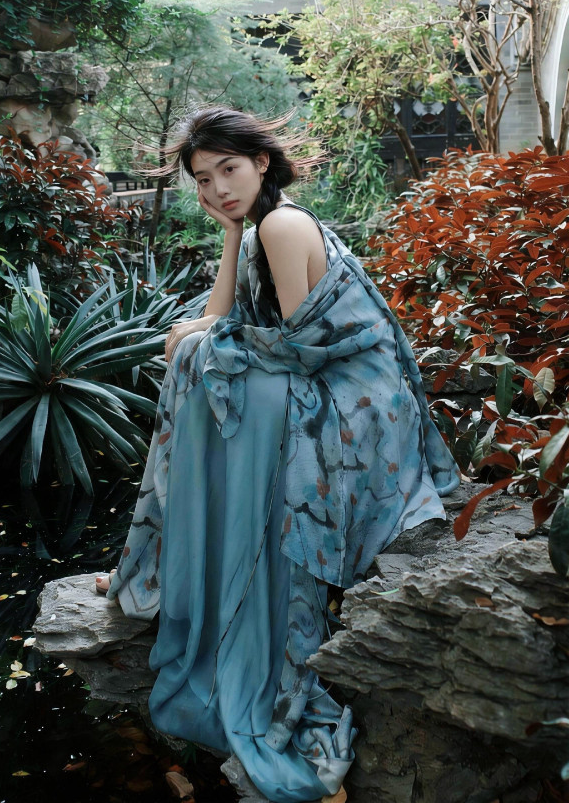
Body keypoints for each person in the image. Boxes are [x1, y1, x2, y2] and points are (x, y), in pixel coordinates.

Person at [96, 107, 460, 802]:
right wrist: (229, 240)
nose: (217, 189)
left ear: (261, 162)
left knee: (203, 365)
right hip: (329, 380)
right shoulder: (257, 226)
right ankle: (195, 551)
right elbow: (227, 314)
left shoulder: (284, 226)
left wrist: (201, 342)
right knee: (202, 359)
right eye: (203, 179)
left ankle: (204, 553)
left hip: (356, 399)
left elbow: (299, 348)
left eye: (228, 170)